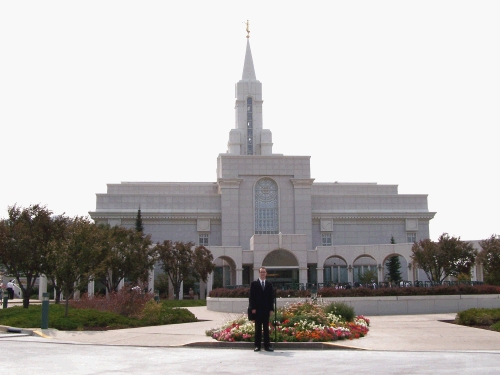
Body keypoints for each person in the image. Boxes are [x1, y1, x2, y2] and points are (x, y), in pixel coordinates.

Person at [249, 267, 274, 352]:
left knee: (266, 328)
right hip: (257, 310)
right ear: (259, 273)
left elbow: (271, 298)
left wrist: (271, 309)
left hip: (266, 310)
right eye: (261, 272)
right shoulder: (254, 284)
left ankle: (267, 346)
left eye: (264, 272)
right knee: (258, 328)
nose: (263, 274)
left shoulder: (269, 284)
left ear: (266, 273)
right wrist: (253, 308)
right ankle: (257, 346)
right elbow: (251, 297)